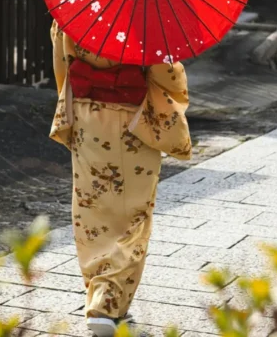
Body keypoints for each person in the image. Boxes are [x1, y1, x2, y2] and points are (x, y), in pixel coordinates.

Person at [49, 21, 191, 336]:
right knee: (133, 216)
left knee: (91, 210)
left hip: (87, 118)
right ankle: (108, 303)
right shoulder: (146, 16)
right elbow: (168, 74)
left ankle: (100, 295)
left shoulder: (72, 11)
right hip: (133, 120)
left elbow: (62, 64)